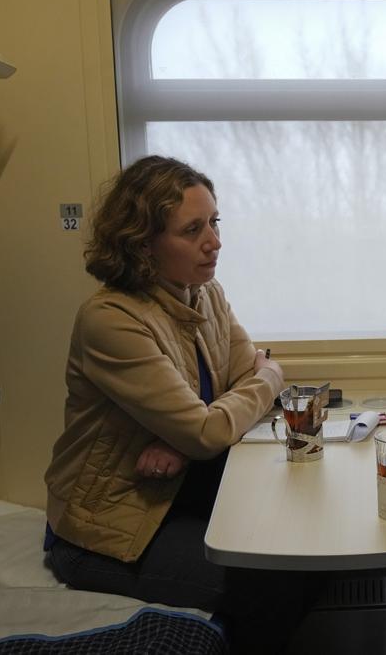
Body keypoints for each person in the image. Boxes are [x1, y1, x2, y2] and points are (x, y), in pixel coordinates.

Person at [43, 156, 295, 644]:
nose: (215, 242)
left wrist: (182, 443)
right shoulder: (111, 320)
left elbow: (234, 387)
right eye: (193, 229)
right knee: (271, 583)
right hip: (104, 533)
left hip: (175, 490)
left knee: (293, 538)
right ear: (144, 243)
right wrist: (274, 374)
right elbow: (213, 427)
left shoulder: (204, 294)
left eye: (215, 222)